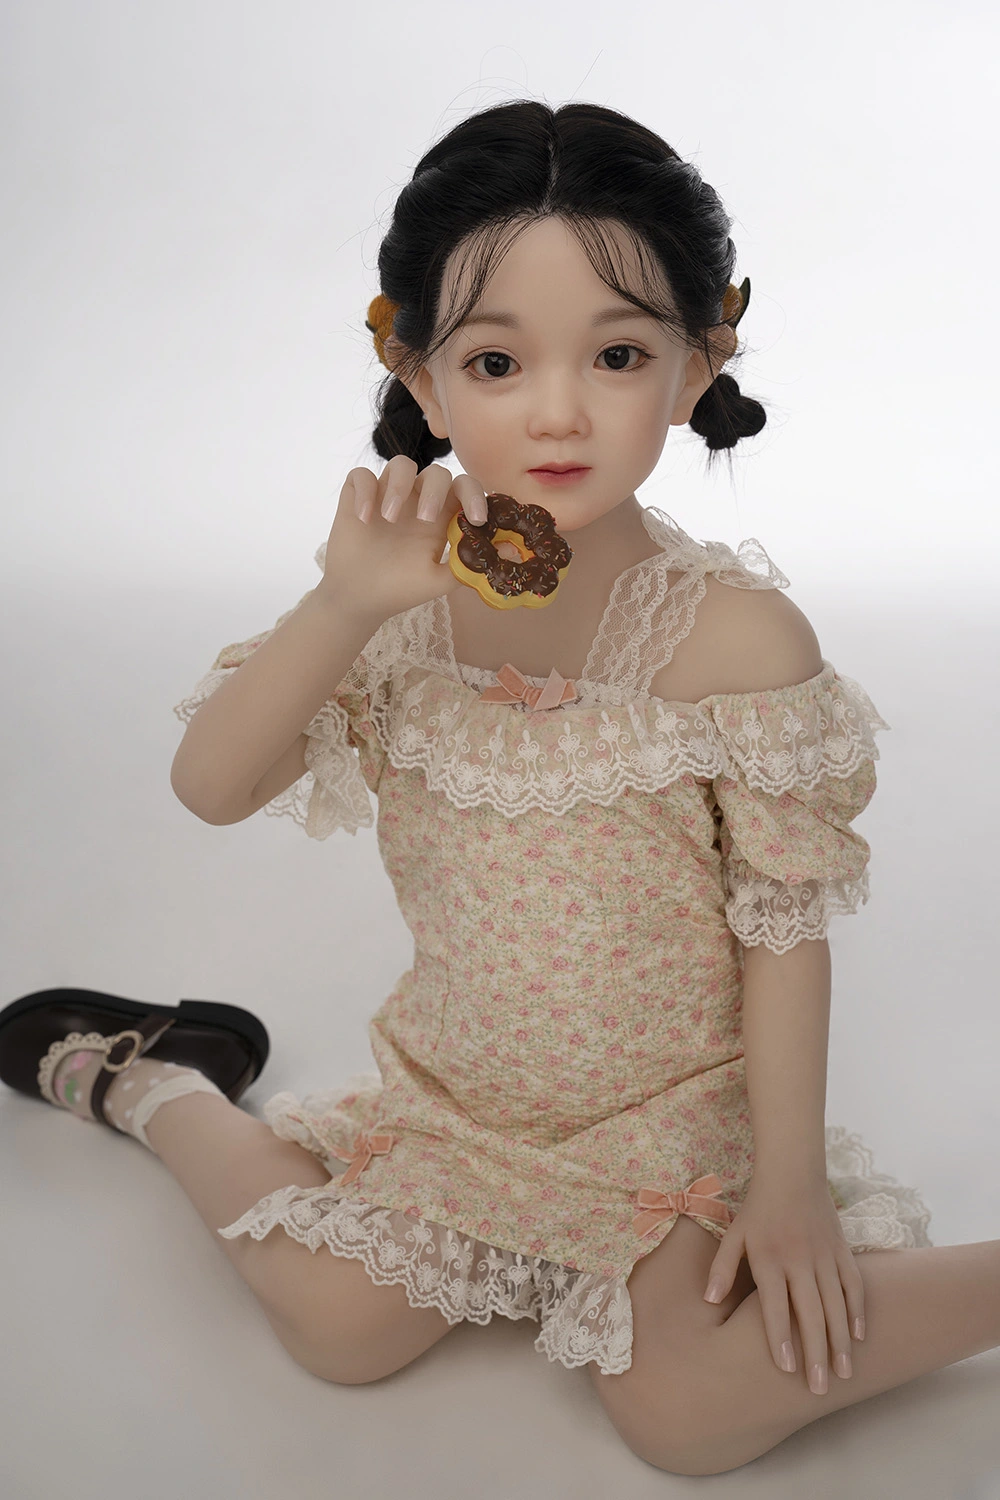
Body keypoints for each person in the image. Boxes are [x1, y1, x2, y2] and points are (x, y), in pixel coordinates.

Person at [3, 99, 997, 1478]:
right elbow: (211, 786)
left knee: (683, 1412)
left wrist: (788, 1193)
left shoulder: (738, 641)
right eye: (495, 360)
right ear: (419, 379)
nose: (557, 410)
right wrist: (343, 607)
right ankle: (160, 1087)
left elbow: (784, 931)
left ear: (700, 361)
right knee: (343, 1330)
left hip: (669, 1116)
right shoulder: (396, 602)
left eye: (619, 354)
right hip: (463, 1103)